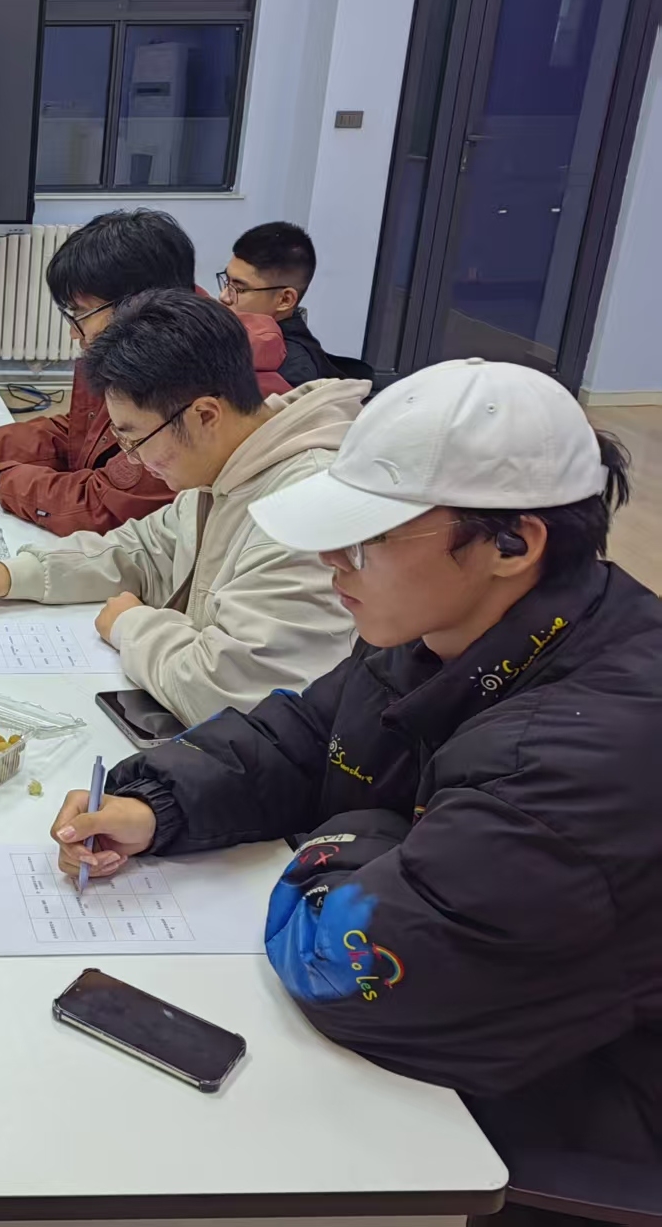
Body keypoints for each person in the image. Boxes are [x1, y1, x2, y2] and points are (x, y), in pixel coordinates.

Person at [51, 359, 659, 1182]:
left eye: (369, 536)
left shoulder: (591, 749)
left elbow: (354, 964)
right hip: (447, 1057)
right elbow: (306, 734)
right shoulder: (437, 631)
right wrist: (157, 802)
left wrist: (365, 832)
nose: (331, 557)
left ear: (512, 543)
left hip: (568, 1108)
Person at [0, 289, 365, 726]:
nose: (133, 458)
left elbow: (227, 693)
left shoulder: (305, 512)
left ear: (205, 415)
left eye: (135, 439)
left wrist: (132, 626)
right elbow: (142, 550)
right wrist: (21, 574)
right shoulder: (227, 466)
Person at [0, 208, 293, 537]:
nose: (73, 332)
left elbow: (107, 506)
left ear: (136, 304)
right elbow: (78, 434)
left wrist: (1, 479)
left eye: (80, 313)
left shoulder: (188, 375)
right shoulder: (133, 351)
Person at [220, 221, 340, 386]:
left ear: (285, 300)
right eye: (227, 281)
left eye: (239, 288)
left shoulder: (291, 373)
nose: (224, 296)